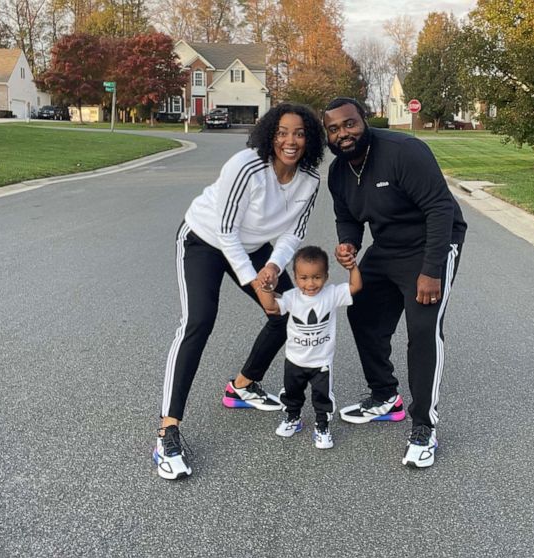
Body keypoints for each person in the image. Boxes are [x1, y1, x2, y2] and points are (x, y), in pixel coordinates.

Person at [153, 103, 325, 480]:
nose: (290, 141)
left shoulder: (310, 179)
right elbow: (227, 232)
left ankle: (242, 386)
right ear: (269, 134)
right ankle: (168, 428)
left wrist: (274, 267)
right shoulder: (246, 166)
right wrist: (255, 284)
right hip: (205, 239)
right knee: (198, 322)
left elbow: (294, 233)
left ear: (309, 138)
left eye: (299, 133)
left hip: (255, 247)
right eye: (281, 132)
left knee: (288, 312)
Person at [323, 97, 467, 468]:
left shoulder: (404, 151)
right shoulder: (338, 172)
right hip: (388, 247)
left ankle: (425, 427)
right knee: (362, 310)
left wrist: (432, 270)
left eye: (350, 124)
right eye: (334, 129)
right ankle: (385, 396)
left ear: (364, 122)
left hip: (433, 243)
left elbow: (440, 209)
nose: (344, 134)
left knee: (423, 329)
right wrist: (348, 243)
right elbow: (348, 217)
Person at [255, 245, 362, 449]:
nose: (310, 283)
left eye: (316, 277)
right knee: (292, 393)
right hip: (295, 360)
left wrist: (352, 267)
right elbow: (272, 307)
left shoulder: (331, 294)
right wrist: (267, 288)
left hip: (321, 362)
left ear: (326, 276)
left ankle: (322, 427)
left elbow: (355, 287)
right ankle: (293, 418)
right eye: (303, 278)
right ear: (295, 278)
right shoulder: (292, 297)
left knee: (323, 397)